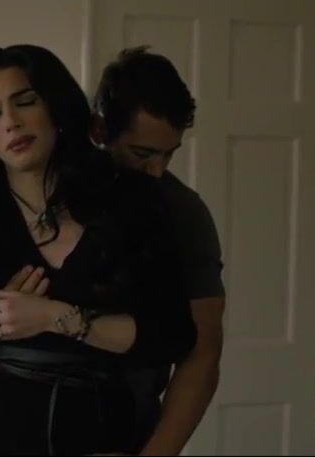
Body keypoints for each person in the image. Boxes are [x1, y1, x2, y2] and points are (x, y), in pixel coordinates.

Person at [0, 44, 196, 456]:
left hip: (104, 433)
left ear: (55, 106)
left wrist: (54, 317)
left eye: (25, 102)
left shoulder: (129, 202)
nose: (11, 122)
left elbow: (172, 337)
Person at [89, 46, 226, 456]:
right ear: (99, 131)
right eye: (143, 153)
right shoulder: (51, 194)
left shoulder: (184, 212)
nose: (157, 170)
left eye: (169, 153)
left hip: (130, 432)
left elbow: (202, 353)